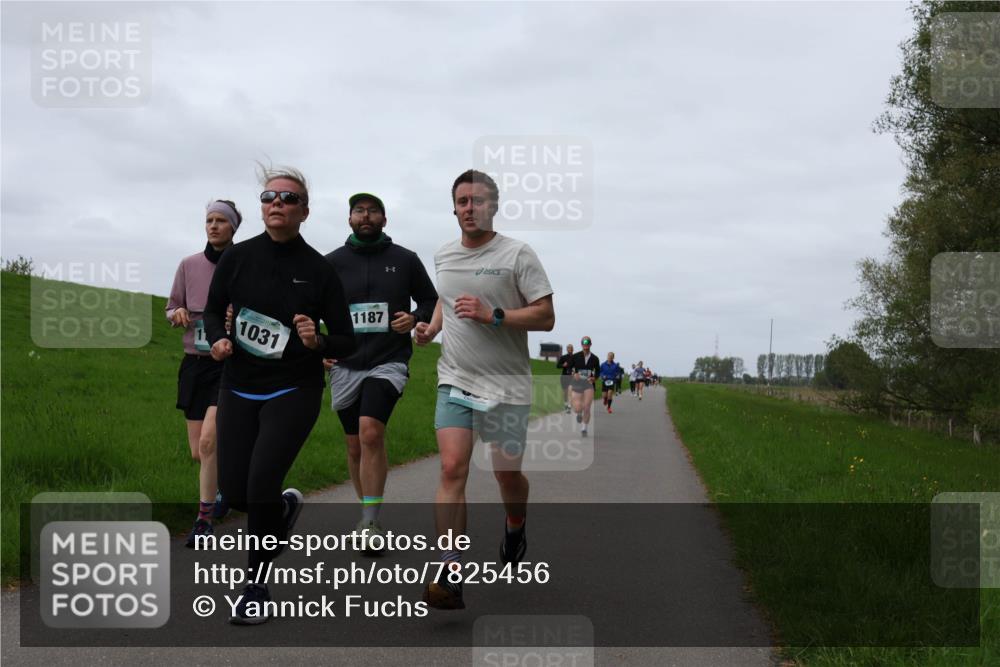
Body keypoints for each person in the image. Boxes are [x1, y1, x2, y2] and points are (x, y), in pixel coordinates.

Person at [204, 166, 355, 624]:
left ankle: (255, 586)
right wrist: (218, 340)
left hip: (293, 387)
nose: (277, 204)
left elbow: (346, 339)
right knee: (235, 490)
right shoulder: (238, 257)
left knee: (261, 483)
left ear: (304, 212)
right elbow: (212, 310)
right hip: (239, 384)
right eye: (269, 196)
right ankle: (283, 510)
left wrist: (318, 341)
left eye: (289, 198)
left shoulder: (319, 270)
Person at [414, 169, 554, 610]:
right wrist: (431, 328)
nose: (469, 208)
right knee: (452, 468)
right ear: (454, 208)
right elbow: (447, 299)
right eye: (462, 201)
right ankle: (450, 571)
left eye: (477, 201)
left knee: (505, 474)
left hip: (506, 384)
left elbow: (545, 316)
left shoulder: (517, 254)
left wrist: (495, 315)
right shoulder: (443, 254)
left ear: (494, 206)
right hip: (455, 378)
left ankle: (515, 524)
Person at [323, 192, 437, 554]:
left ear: (384, 220)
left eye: (373, 211)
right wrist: (321, 347)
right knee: (354, 444)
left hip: (389, 360)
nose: (366, 216)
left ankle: (370, 522)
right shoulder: (331, 263)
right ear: (350, 219)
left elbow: (431, 300)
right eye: (359, 211)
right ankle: (366, 512)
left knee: (371, 432)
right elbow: (309, 309)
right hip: (345, 363)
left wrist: (415, 318)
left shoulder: (405, 259)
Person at [166, 200, 240, 547]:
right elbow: (171, 306)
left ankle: (204, 520)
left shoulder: (244, 264)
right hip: (194, 364)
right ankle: (228, 487)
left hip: (228, 365)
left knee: (210, 443)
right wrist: (177, 313)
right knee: (199, 451)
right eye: (209, 220)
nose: (213, 226)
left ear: (233, 227)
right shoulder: (188, 265)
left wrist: (237, 318)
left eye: (221, 220)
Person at [569, 337, 600, 436]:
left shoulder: (595, 358)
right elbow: (569, 368)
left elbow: (598, 371)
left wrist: (594, 378)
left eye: (587, 343)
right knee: (577, 408)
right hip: (577, 383)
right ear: (581, 344)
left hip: (588, 384)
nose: (585, 345)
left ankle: (584, 428)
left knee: (587, 407)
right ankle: (579, 413)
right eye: (584, 343)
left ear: (590, 344)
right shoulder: (575, 356)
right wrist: (574, 374)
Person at [556, 343, 575, 413]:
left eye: (571, 348)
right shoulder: (563, 357)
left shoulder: (575, 358)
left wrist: (574, 371)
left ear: (573, 349)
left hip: (571, 377)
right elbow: (557, 366)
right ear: (567, 349)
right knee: (565, 392)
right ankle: (566, 404)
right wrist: (563, 365)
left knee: (570, 391)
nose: (570, 350)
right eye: (568, 348)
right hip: (564, 376)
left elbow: (578, 367)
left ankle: (569, 406)